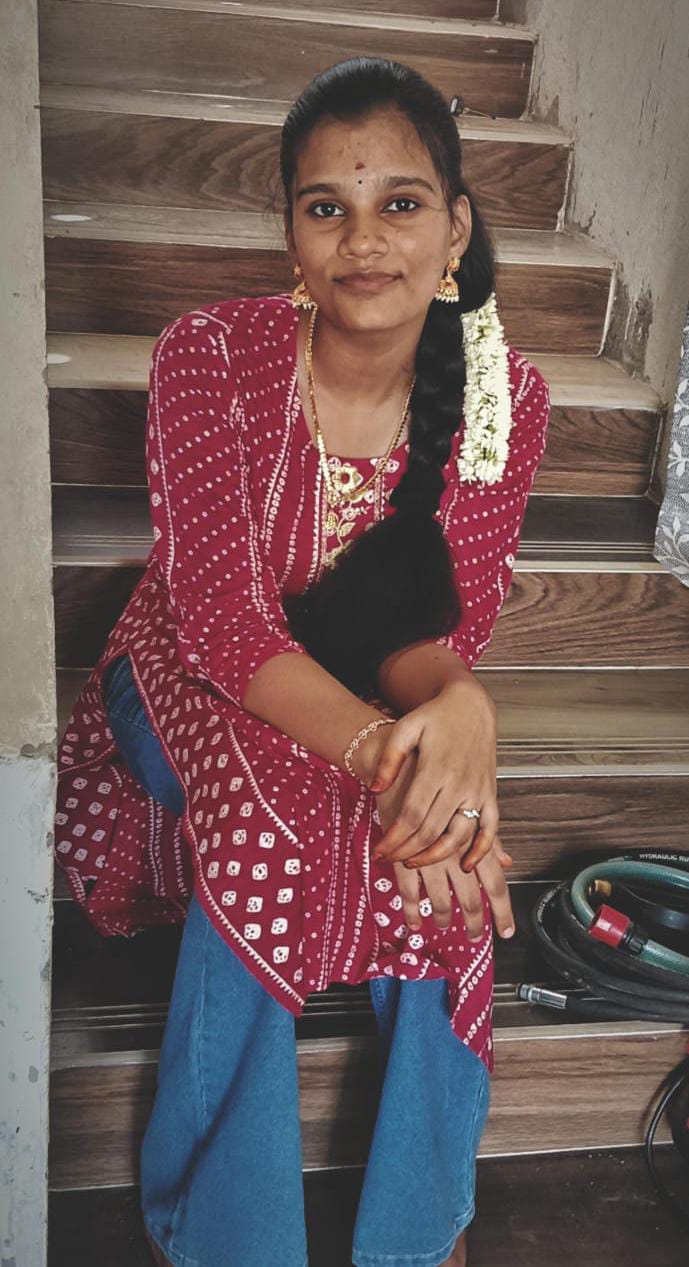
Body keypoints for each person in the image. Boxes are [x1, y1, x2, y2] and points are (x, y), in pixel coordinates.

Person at [54, 56, 551, 1267]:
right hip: (177, 677)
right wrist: (394, 754)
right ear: (289, 231)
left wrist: (459, 709)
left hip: (363, 688)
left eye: (399, 203)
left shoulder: (503, 397)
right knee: (273, 807)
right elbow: (226, 630)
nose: (362, 240)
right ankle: (226, 1233)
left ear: (454, 229)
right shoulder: (209, 356)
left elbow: (437, 624)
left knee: (447, 838)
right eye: (326, 205)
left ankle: (419, 1229)